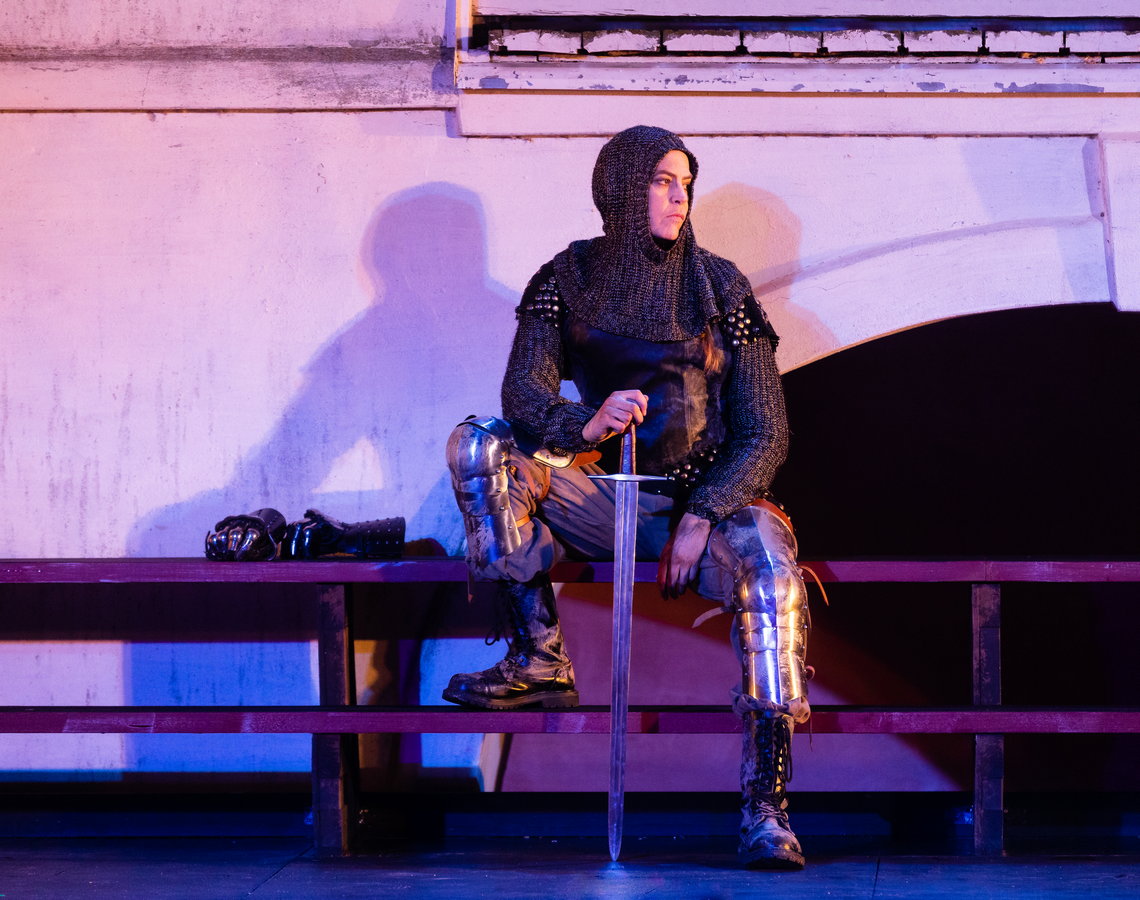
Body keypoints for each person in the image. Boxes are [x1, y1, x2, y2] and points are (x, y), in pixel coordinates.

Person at [442, 125, 811, 870]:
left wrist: (702, 515)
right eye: (662, 182)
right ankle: (538, 654)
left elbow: (766, 432)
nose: (680, 197)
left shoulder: (722, 288)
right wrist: (586, 422)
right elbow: (523, 396)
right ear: (621, 188)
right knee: (481, 446)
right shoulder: (566, 280)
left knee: (774, 581)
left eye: (686, 183)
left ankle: (766, 810)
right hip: (610, 497)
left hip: (713, 505)